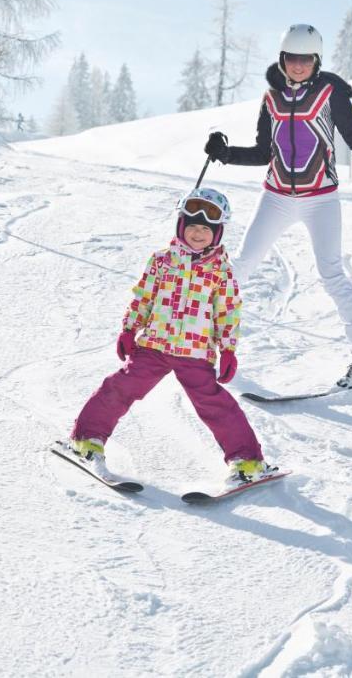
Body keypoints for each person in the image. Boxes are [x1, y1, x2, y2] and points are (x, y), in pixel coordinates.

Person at [203, 23, 352, 388]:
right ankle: (200, 337)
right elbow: (264, 151)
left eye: (305, 59)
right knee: (242, 264)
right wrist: (225, 154)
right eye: (291, 58)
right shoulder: (271, 99)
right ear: (282, 59)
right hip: (276, 196)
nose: (297, 65)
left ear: (316, 60)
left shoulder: (329, 94)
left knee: (331, 272)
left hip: (320, 198)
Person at [67, 188, 273, 485]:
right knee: (120, 388)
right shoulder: (161, 261)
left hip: (195, 352)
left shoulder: (221, 272)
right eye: (192, 225)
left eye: (206, 228)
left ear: (217, 233)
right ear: (180, 226)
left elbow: (227, 312)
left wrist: (228, 350)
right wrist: (129, 328)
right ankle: (87, 440)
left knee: (214, 404)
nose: (198, 233)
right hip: (153, 345)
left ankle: (247, 461)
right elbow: (143, 297)